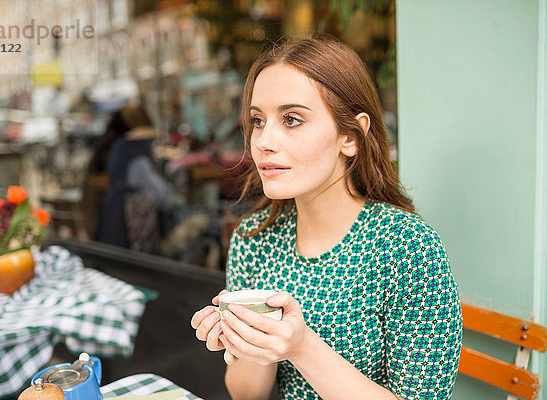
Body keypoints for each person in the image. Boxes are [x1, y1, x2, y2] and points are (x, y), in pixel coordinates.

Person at [190, 36, 462, 400]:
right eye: (258, 120)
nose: (263, 141)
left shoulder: (407, 246)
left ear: (350, 136)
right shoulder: (254, 239)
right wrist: (253, 340)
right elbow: (245, 394)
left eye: (292, 119)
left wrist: (301, 348)